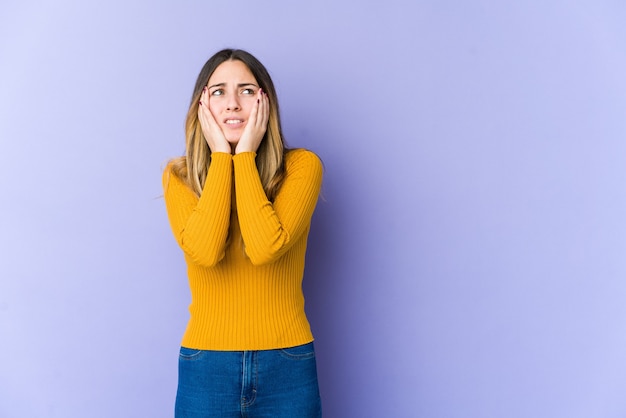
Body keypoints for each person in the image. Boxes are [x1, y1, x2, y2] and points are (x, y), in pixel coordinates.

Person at [162, 48, 323, 417]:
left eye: (247, 90)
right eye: (218, 91)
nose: (232, 103)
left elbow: (265, 247)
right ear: (202, 106)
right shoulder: (179, 177)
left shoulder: (302, 167)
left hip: (288, 363)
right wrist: (222, 157)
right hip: (206, 365)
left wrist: (244, 156)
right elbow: (204, 251)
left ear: (266, 101)